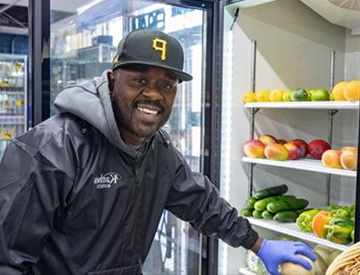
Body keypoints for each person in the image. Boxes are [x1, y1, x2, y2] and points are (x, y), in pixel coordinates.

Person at [0, 30, 316, 275]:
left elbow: (202, 204)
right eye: (139, 80)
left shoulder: (158, 150)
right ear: (112, 81)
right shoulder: (50, 149)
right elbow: (8, 259)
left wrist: (258, 244)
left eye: (167, 85)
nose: (153, 94)